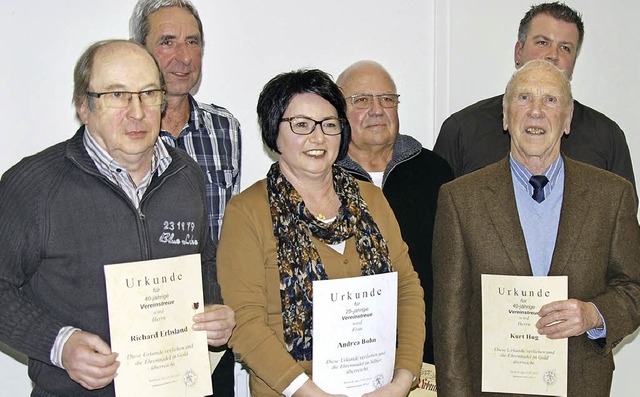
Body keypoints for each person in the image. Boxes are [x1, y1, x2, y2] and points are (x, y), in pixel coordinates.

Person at [0, 39, 235, 396]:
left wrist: (214, 306)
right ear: (84, 106)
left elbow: (204, 258)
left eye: (148, 93)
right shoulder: (34, 186)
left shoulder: (186, 175)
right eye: (116, 95)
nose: (137, 111)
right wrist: (59, 345)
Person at [432, 59, 640, 396]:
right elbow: (449, 323)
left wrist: (593, 314)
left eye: (551, 100)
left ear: (568, 120)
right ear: (505, 116)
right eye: (523, 98)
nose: (536, 111)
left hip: (581, 386)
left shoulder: (612, 196)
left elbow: (634, 288)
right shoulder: (460, 199)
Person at [217, 69, 424, 397]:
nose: (318, 138)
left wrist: (403, 379)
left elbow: (408, 289)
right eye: (301, 125)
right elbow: (245, 322)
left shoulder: (371, 199)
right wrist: (306, 391)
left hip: (380, 389)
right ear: (274, 132)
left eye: (329, 125)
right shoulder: (247, 212)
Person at [129, 1, 242, 394]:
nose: (183, 55)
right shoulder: (123, 132)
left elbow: (228, 231)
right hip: (142, 332)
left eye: (192, 41)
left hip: (212, 327)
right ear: (140, 50)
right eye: (167, 41)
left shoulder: (225, 128)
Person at [433, 2, 636, 190]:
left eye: (565, 48)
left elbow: (621, 220)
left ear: (574, 62)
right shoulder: (463, 129)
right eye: (542, 42)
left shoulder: (606, 136)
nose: (553, 55)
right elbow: (440, 217)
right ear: (518, 51)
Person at [335, 60, 453, 365]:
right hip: (345, 353)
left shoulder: (435, 173)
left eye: (387, 99)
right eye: (361, 100)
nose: (377, 110)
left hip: (425, 352)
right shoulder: (321, 177)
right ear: (337, 111)